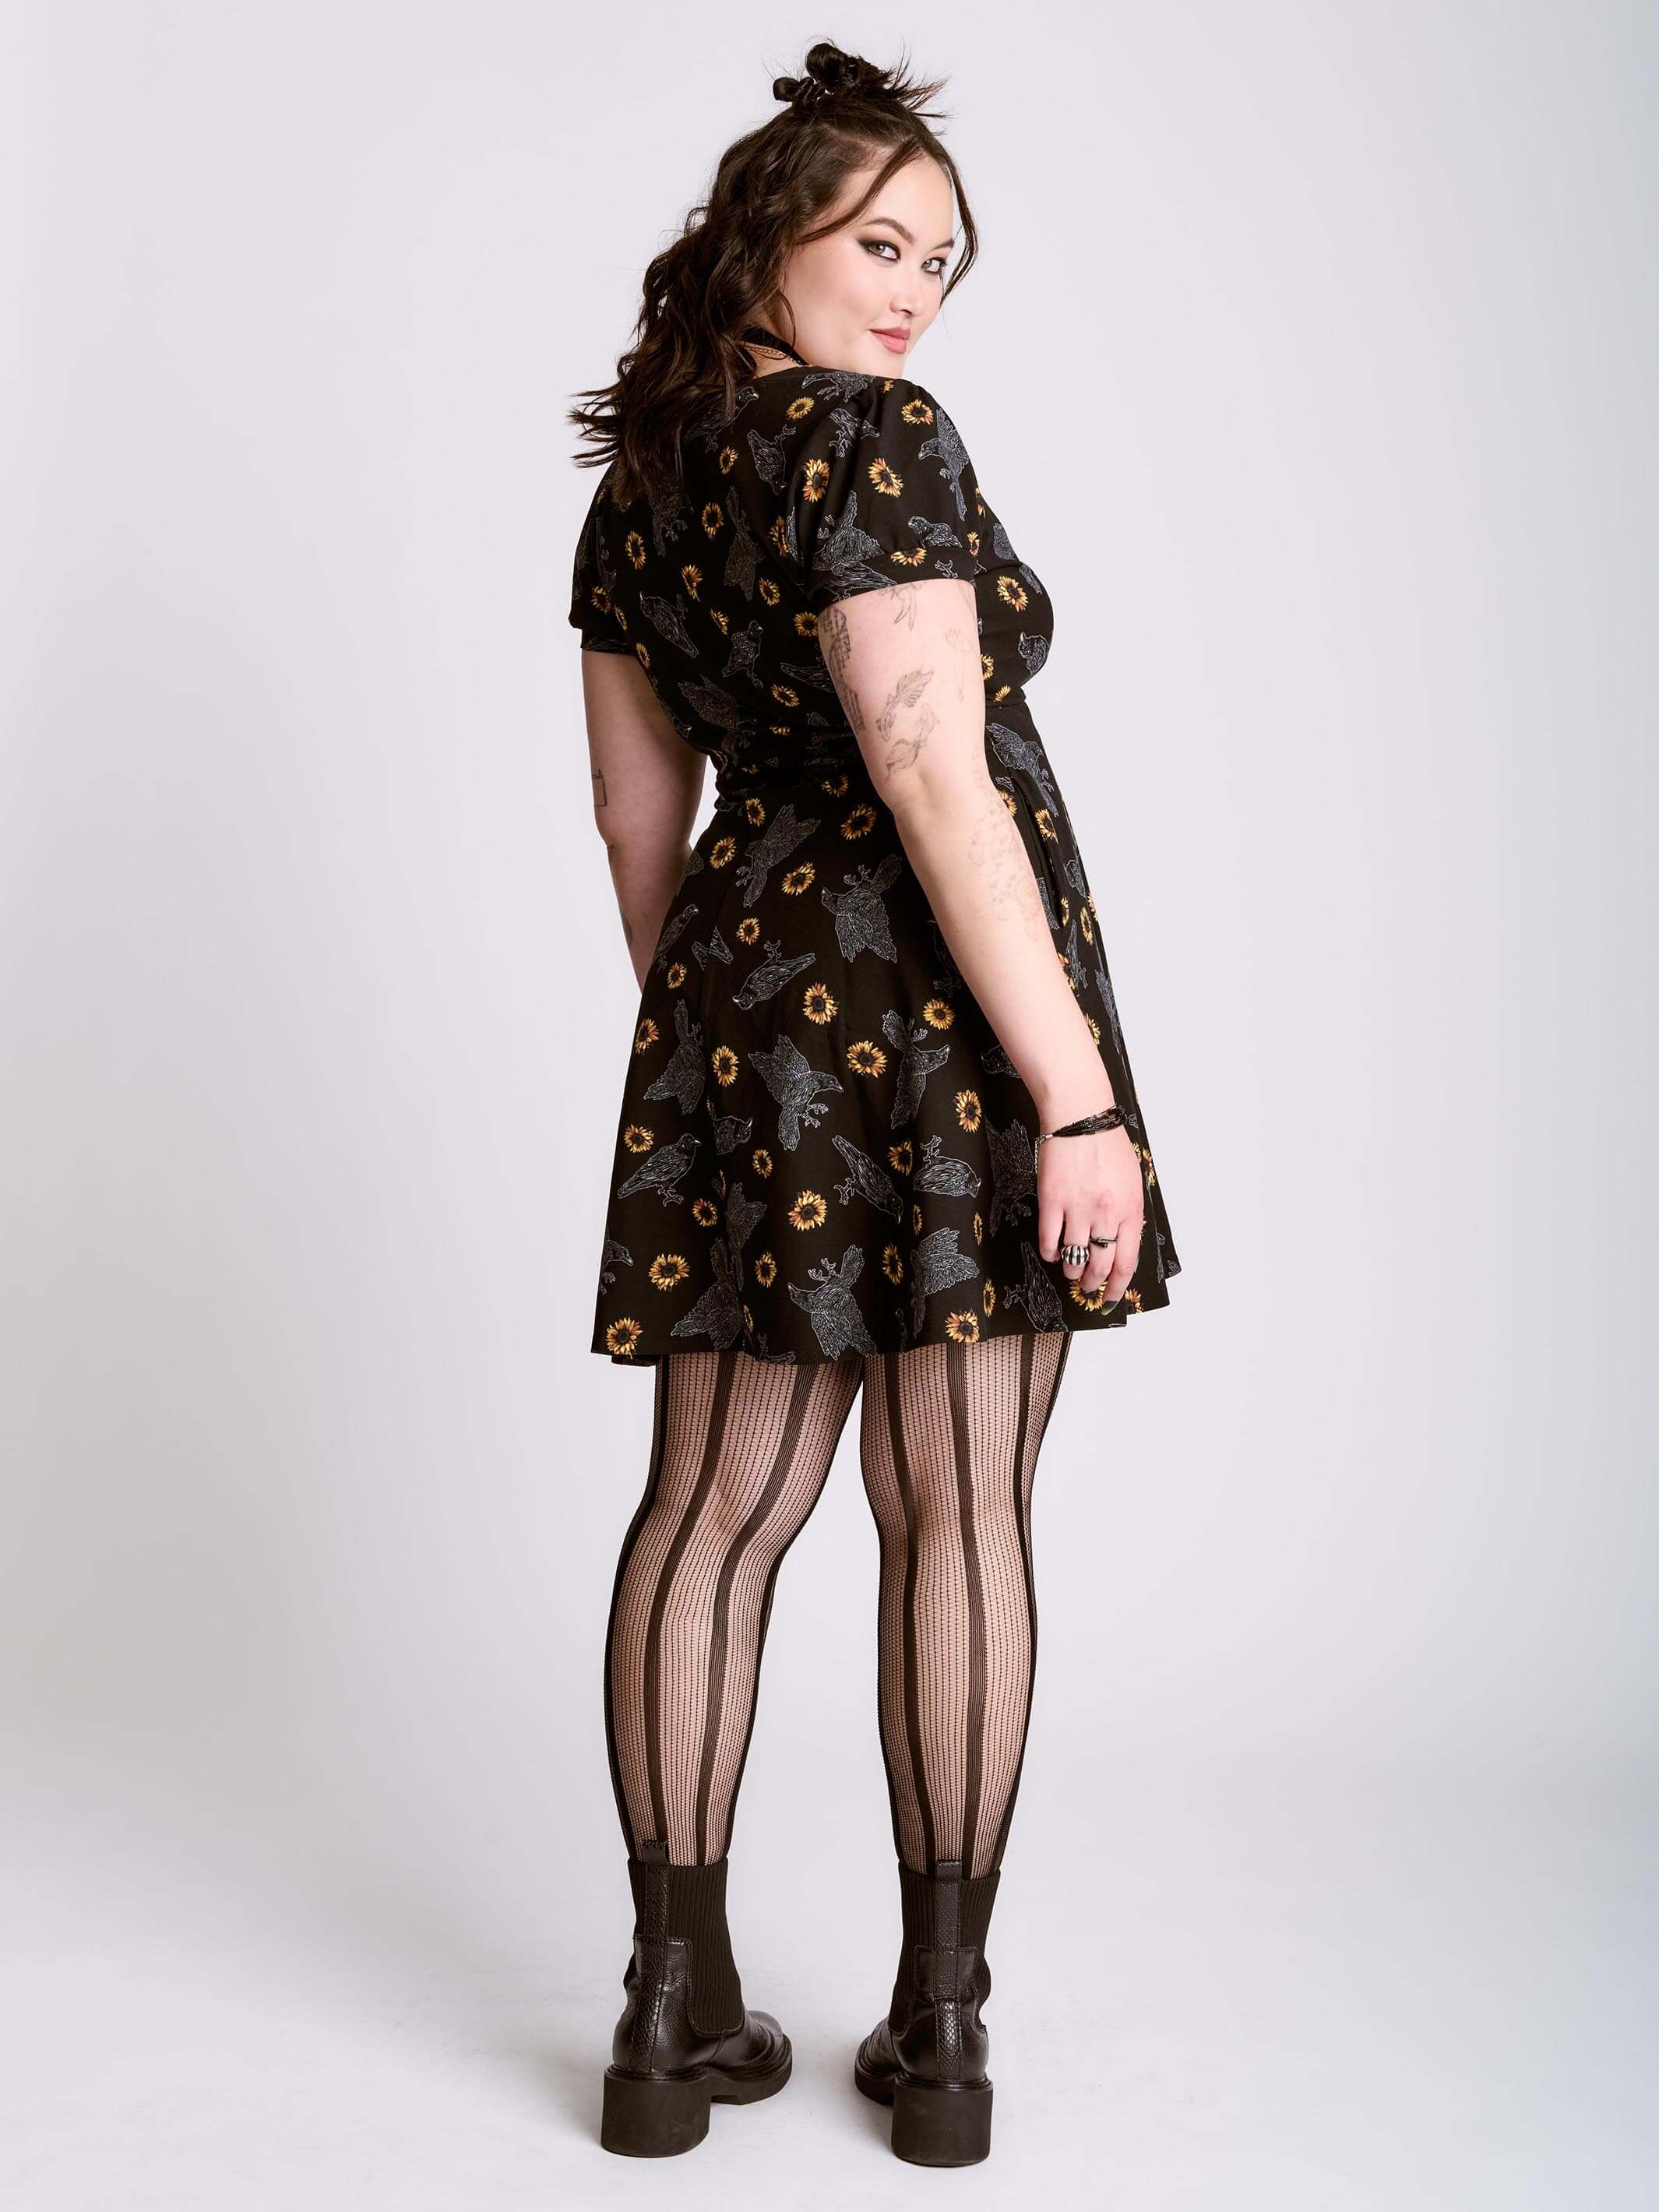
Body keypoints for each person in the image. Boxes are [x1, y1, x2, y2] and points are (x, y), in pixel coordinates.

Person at [567, 38, 1182, 2168]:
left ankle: (668, 2018)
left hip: (740, 1004)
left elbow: (632, 818)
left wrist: (719, 1047)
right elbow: (929, 760)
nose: (917, 291)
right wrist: (1074, 1103)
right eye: (883, 242)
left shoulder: (642, 483)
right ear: (769, 236)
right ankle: (942, 2035)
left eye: (944, 260)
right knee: (960, 1508)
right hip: (943, 1017)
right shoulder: (874, 437)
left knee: (708, 1511)